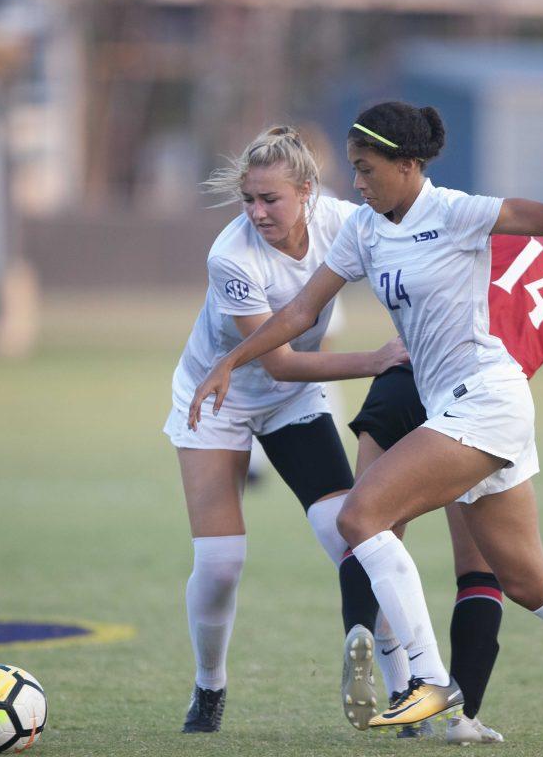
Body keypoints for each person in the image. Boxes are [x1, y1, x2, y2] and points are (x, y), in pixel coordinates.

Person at [188, 102, 543, 747]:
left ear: (408, 166)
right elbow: (297, 314)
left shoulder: (456, 211)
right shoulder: (365, 229)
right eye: (353, 170)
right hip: (455, 406)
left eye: (368, 170)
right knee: (529, 582)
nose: (359, 184)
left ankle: (426, 682)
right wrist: (231, 361)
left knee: (358, 517)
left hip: (486, 400)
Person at [349, 234, 543, 744]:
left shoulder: (511, 235)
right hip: (484, 409)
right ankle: (452, 710)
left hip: (413, 382)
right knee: (499, 574)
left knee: (371, 539)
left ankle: (407, 680)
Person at [163, 126, 407, 733]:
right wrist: (375, 361)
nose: (257, 212)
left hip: (293, 402)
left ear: (307, 191)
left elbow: (420, 232)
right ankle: (209, 685)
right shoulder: (230, 257)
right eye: (248, 199)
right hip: (217, 399)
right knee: (220, 564)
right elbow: (278, 360)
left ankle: (408, 689)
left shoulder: (344, 221)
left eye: (270, 199)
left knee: (356, 540)